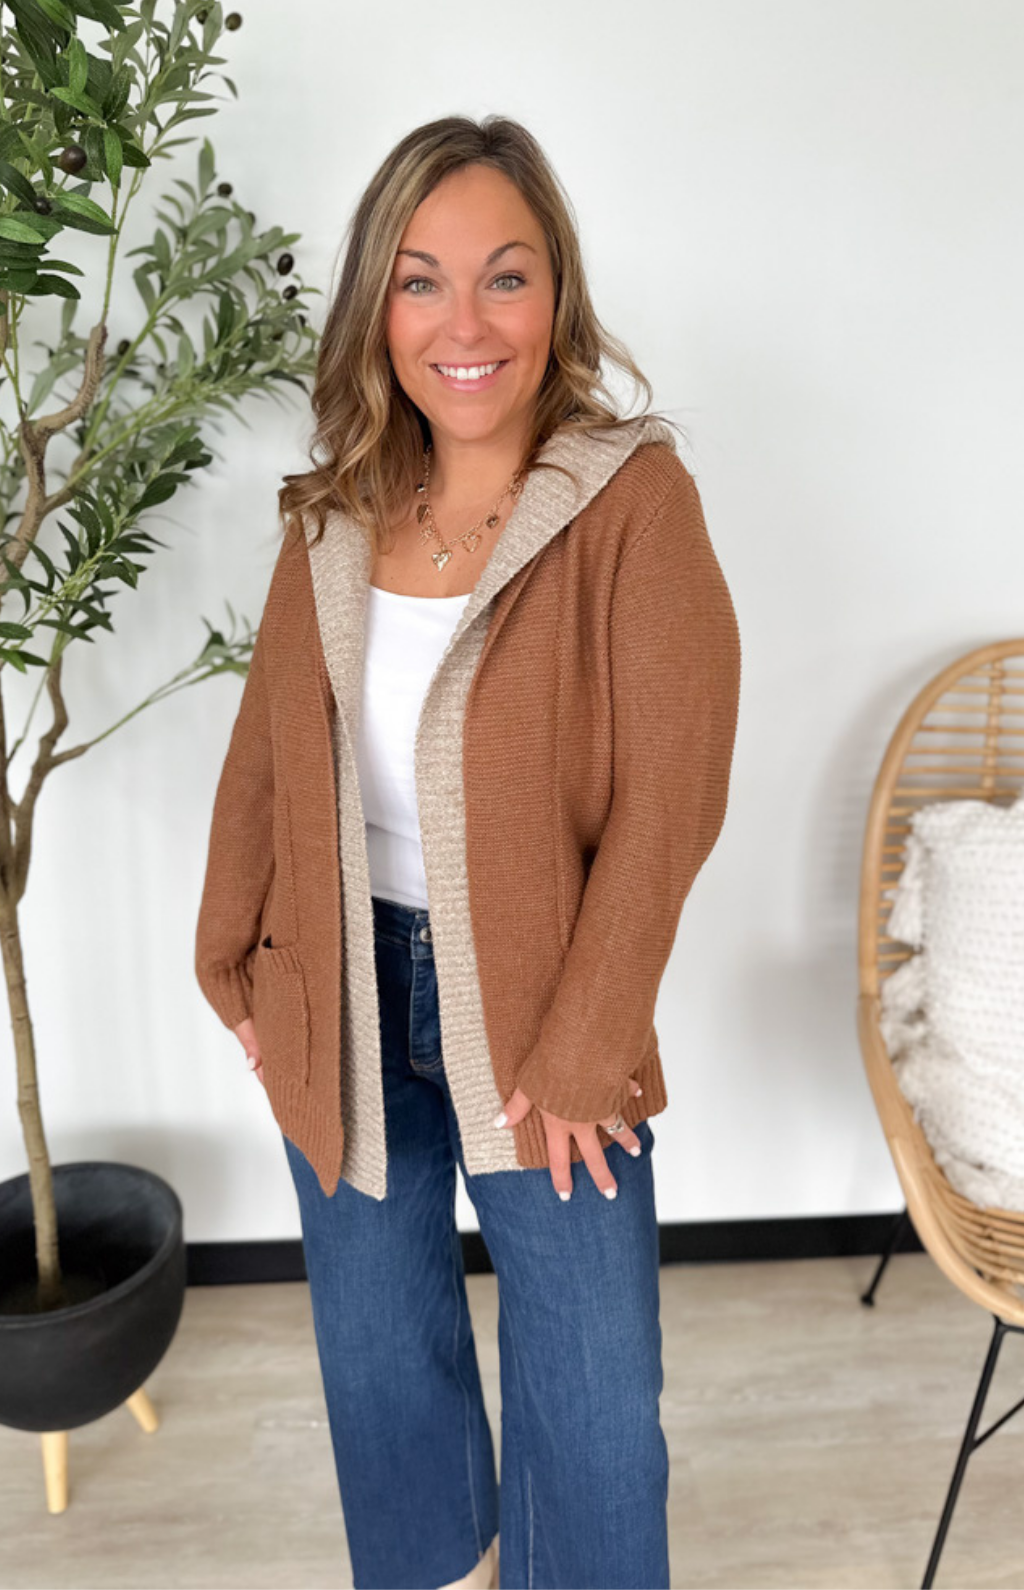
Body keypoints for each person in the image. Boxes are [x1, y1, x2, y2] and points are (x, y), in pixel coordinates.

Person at [195, 113, 741, 1590]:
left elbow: (674, 791)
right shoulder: (336, 512)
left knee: (595, 1406)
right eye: (422, 281)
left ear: (557, 291)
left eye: (506, 275)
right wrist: (234, 963)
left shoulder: (632, 501)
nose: (467, 323)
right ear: (379, 306)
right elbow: (267, 751)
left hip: (549, 1006)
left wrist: (591, 1036)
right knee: (384, 1375)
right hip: (341, 984)